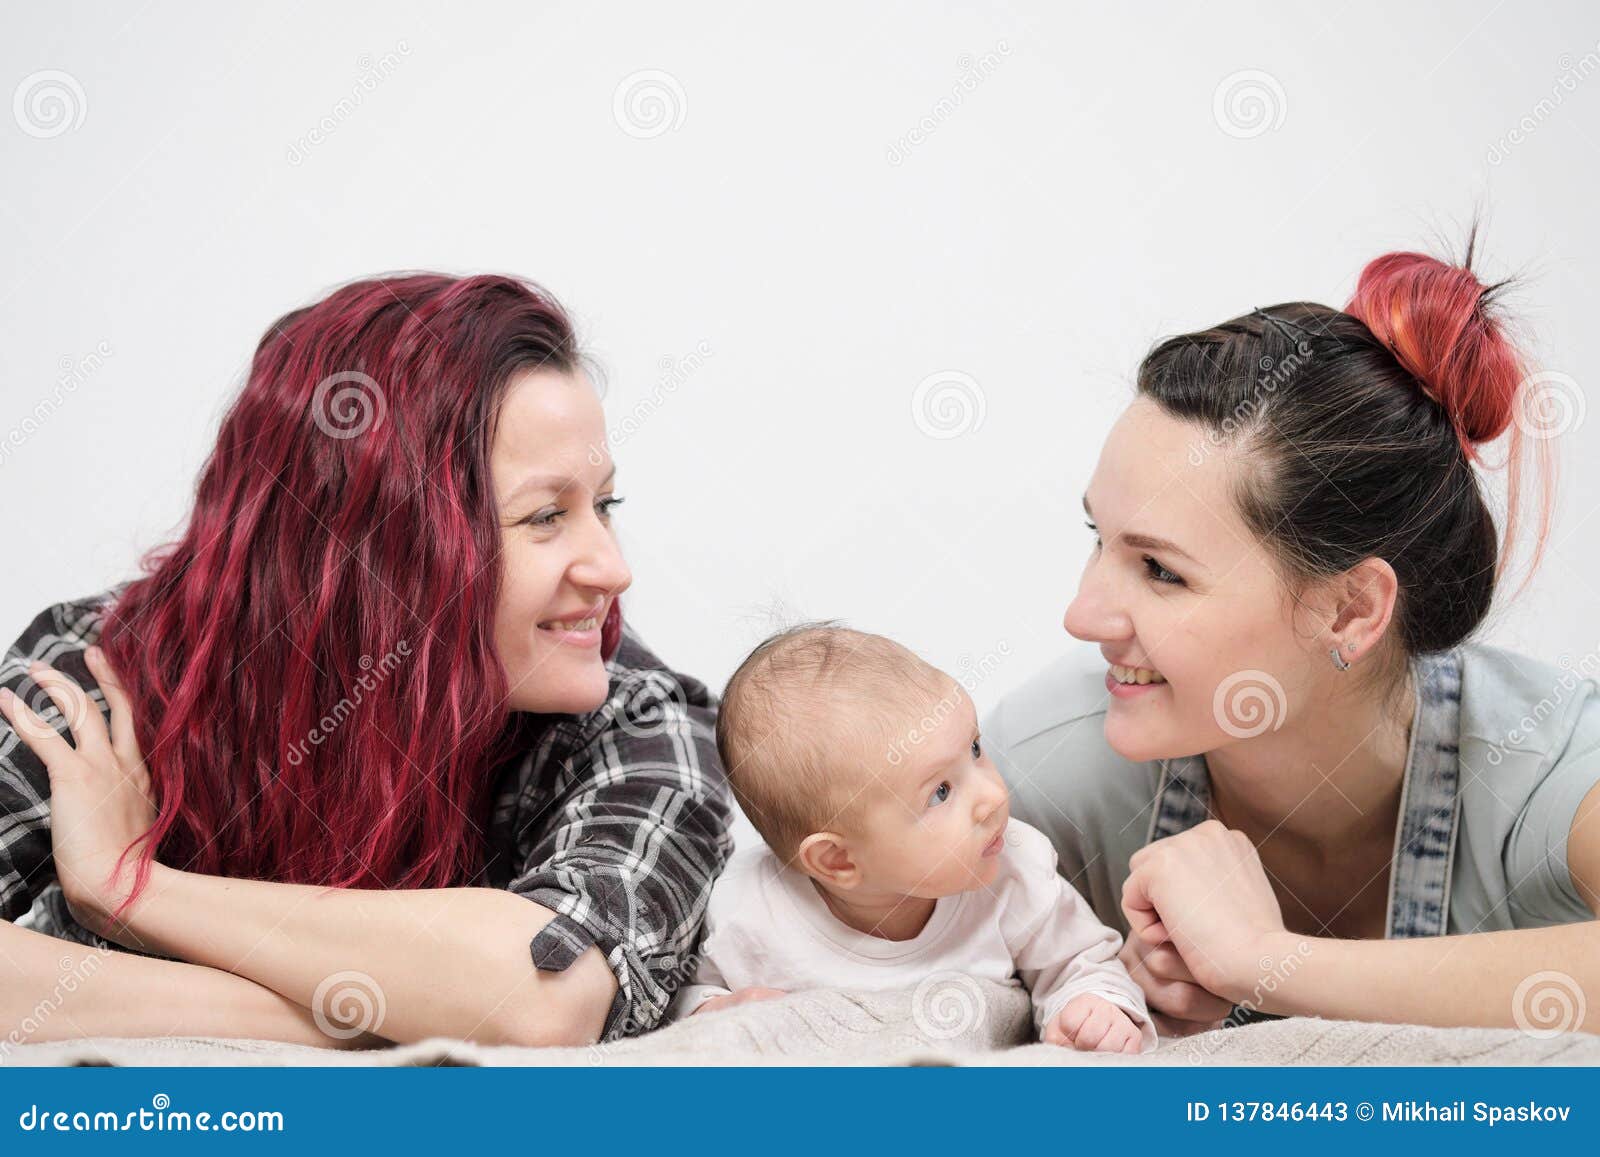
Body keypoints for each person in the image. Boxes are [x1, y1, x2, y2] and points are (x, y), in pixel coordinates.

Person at [0, 273, 732, 1049]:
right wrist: (381, 1010)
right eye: (546, 515)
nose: (612, 569)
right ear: (374, 548)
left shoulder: (639, 714)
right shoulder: (104, 672)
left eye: (604, 505)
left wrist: (129, 887)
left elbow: (543, 996)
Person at [986, 245, 1599, 1036]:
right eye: (1095, 538)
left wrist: (1262, 962)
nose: (1082, 614)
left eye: (1160, 570)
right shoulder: (1043, 771)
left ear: (1349, 610)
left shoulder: (1545, 759)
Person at [674, 624, 1155, 1054]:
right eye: (941, 792)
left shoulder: (1015, 873)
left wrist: (1094, 1006)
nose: (990, 795)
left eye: (974, 748)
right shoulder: (749, 912)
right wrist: (714, 1011)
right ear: (838, 859)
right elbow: (677, 1006)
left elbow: (1082, 962)